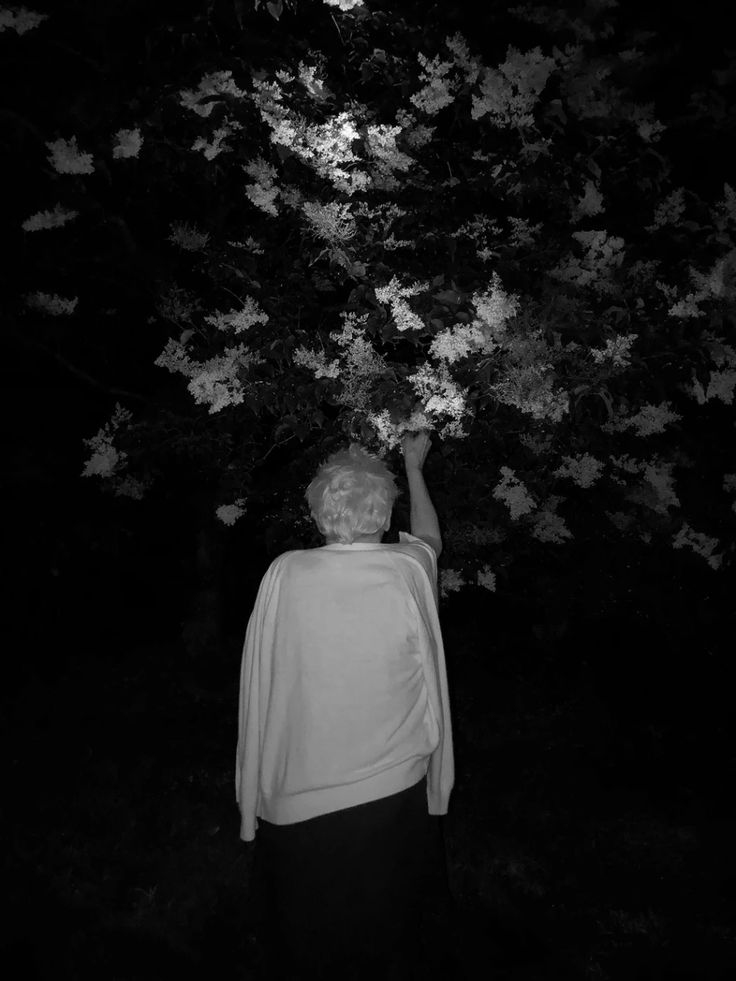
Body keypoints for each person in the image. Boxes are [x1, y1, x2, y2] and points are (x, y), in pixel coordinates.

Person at [236, 431, 456, 980]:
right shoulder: (405, 569)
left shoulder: (286, 571)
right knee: (390, 937)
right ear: (383, 518)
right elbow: (431, 536)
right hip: (392, 790)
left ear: (317, 516)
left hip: (299, 791)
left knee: (307, 941)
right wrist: (414, 466)